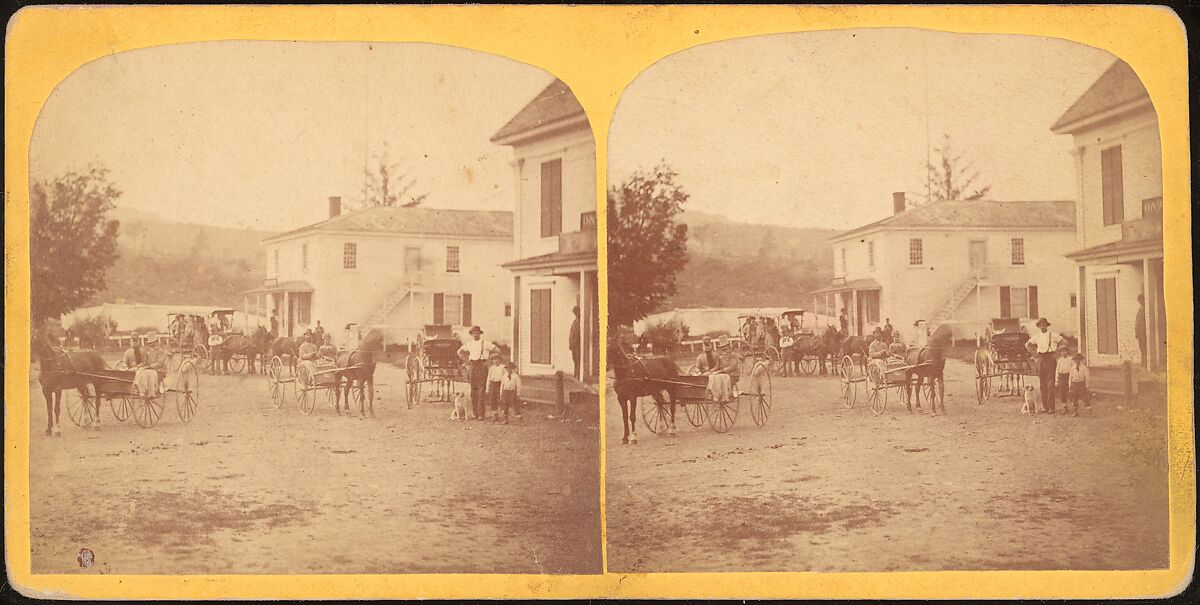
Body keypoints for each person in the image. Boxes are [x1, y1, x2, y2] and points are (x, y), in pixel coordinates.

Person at [1025, 317, 1064, 414]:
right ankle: (1045, 407)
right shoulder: (1037, 336)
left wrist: (1057, 353)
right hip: (1041, 360)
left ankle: (1051, 407)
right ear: (1039, 326)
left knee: (1050, 385)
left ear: (1047, 325)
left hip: (1050, 359)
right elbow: (1027, 345)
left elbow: (1065, 343)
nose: (1043, 326)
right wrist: (1034, 354)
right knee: (1042, 385)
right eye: (1040, 325)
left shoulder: (1053, 335)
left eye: (1044, 325)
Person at [458, 326, 495, 420]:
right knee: (473, 390)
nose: (475, 335)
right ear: (471, 334)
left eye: (477, 333)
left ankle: (481, 414)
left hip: (482, 366)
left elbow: (497, 350)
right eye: (473, 333)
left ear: (480, 333)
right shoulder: (469, 344)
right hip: (473, 367)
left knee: (481, 390)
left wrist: (489, 361)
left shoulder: (485, 343)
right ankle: (474, 413)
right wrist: (466, 361)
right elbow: (459, 352)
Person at [704, 338, 741, 402]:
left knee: (721, 377)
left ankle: (727, 394)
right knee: (713, 377)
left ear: (728, 346)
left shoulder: (733, 356)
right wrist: (711, 371)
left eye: (725, 347)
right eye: (722, 347)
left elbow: (732, 367)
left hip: (733, 375)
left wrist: (722, 371)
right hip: (723, 375)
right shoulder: (721, 357)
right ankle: (717, 394)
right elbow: (717, 366)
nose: (724, 349)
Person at [486, 353, 505, 421]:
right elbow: (489, 378)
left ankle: (503, 415)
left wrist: (504, 386)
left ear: (500, 360)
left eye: (497, 359)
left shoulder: (503, 367)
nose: (495, 361)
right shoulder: (491, 368)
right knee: (493, 399)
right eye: (494, 359)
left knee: (500, 399)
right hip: (493, 384)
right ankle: (495, 415)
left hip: (500, 384)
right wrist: (488, 387)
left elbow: (505, 377)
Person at [1055, 345, 1073, 409]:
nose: (1064, 353)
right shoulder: (1059, 361)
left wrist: (1072, 377)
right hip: (1062, 377)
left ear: (1068, 351)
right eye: (1062, 352)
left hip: (1069, 376)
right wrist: (1057, 380)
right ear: (1060, 353)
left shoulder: (1071, 359)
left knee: (1070, 390)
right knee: (1062, 391)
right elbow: (1057, 370)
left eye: (1065, 351)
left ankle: (1073, 405)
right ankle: (1064, 406)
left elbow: (1073, 369)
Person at [1135, 294, 1147, 368]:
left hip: (1144, 332)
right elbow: (1137, 322)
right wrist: (1136, 332)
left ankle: (1145, 363)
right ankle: (1143, 363)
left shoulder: (1146, 310)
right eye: (1139, 301)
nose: (1140, 302)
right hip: (1139, 332)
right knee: (1141, 347)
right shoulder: (1140, 310)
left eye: (1141, 301)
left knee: (1145, 348)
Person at [569, 305, 582, 379]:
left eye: (576, 312)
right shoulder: (575, 321)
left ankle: (578, 374)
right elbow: (571, 332)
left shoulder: (581, 321)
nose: (575, 314)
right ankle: (575, 373)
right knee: (574, 359)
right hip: (574, 344)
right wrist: (570, 344)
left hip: (578, 344)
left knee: (578, 359)